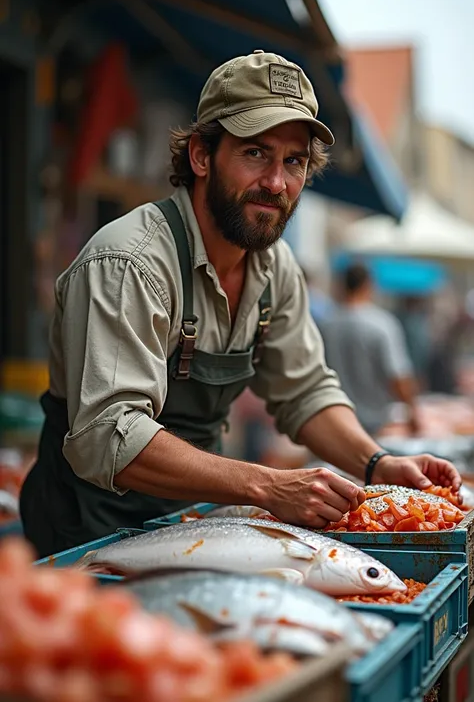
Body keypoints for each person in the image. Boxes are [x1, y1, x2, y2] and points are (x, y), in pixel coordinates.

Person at [20, 51, 461, 557]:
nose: (276, 183)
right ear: (202, 156)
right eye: (255, 153)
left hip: (189, 525)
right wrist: (268, 485)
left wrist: (376, 462)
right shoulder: (129, 263)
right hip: (84, 539)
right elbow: (111, 436)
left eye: (293, 161)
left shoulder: (276, 269)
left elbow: (306, 391)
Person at [321, 264, 421, 437]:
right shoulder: (382, 324)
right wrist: (414, 414)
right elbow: (398, 377)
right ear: (368, 285)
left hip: (335, 421)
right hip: (376, 425)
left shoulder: (325, 325)